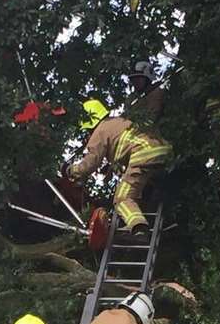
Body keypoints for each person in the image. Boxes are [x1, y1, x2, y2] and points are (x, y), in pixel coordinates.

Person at [66, 99, 171, 238]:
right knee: (142, 188)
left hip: (143, 155)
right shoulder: (119, 121)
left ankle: (138, 225)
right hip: (163, 151)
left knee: (122, 198)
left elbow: (90, 163)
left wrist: (72, 170)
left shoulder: (99, 132)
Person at [127, 60, 165, 124]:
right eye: (133, 79)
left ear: (147, 79)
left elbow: (151, 118)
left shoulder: (157, 93)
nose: (135, 82)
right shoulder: (131, 98)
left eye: (138, 78)